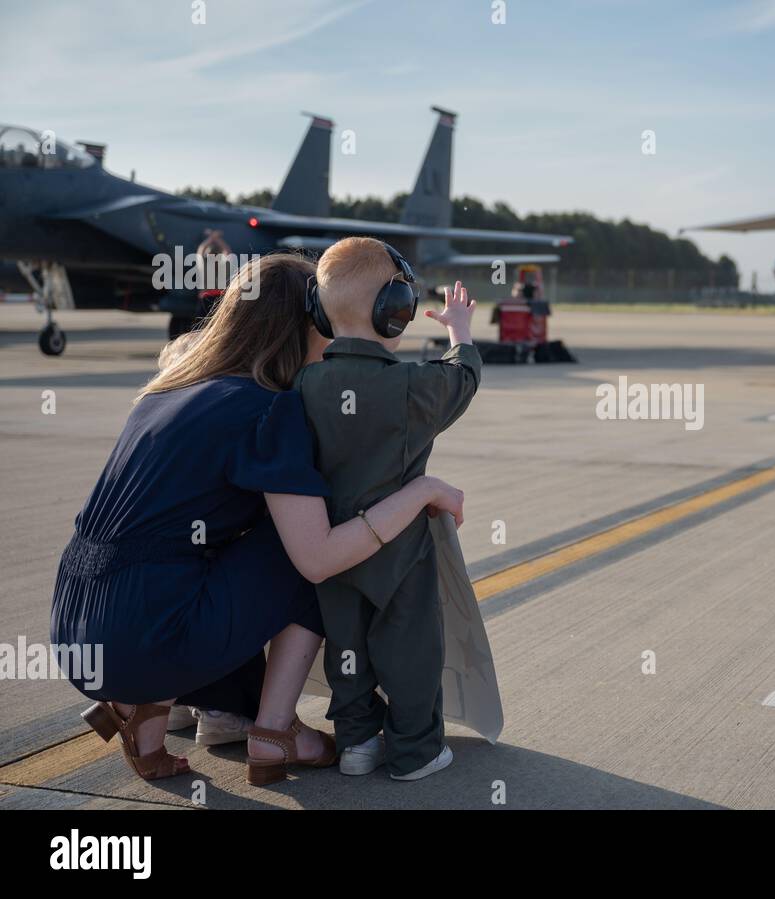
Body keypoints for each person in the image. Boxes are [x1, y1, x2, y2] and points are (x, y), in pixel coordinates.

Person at [51, 253, 466, 785]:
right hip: (143, 638)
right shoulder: (271, 408)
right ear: (310, 323)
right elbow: (317, 559)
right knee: (311, 545)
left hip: (75, 629)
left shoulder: (167, 389)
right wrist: (421, 491)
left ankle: (147, 714)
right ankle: (274, 732)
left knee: (204, 544)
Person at [296, 238, 481, 782]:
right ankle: (414, 751)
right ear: (394, 309)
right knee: (411, 654)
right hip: (399, 554)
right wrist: (459, 329)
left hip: (332, 552)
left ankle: (355, 743)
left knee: (346, 652)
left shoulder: (304, 384)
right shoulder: (413, 385)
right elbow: (464, 377)